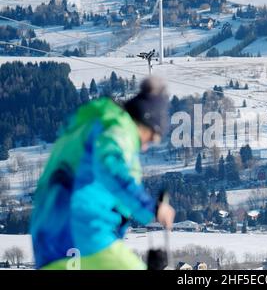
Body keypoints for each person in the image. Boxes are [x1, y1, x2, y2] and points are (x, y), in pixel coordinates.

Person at [30, 77, 175, 270]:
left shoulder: (88, 127)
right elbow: (110, 167)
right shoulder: (119, 127)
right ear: (144, 122)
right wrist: (152, 208)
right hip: (80, 231)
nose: (146, 147)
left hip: (47, 240)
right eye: (151, 138)